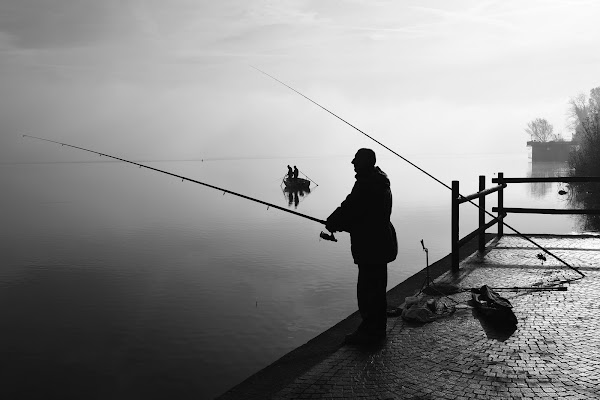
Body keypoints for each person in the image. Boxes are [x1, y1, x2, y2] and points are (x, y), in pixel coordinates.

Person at [325, 148, 397, 345]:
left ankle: (368, 333)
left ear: (365, 162)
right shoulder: (379, 181)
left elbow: (351, 209)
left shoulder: (366, 184)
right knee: (377, 290)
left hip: (371, 246)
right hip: (380, 242)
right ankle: (376, 330)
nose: (352, 162)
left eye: (355, 159)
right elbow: (363, 214)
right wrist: (340, 222)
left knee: (367, 291)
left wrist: (333, 222)